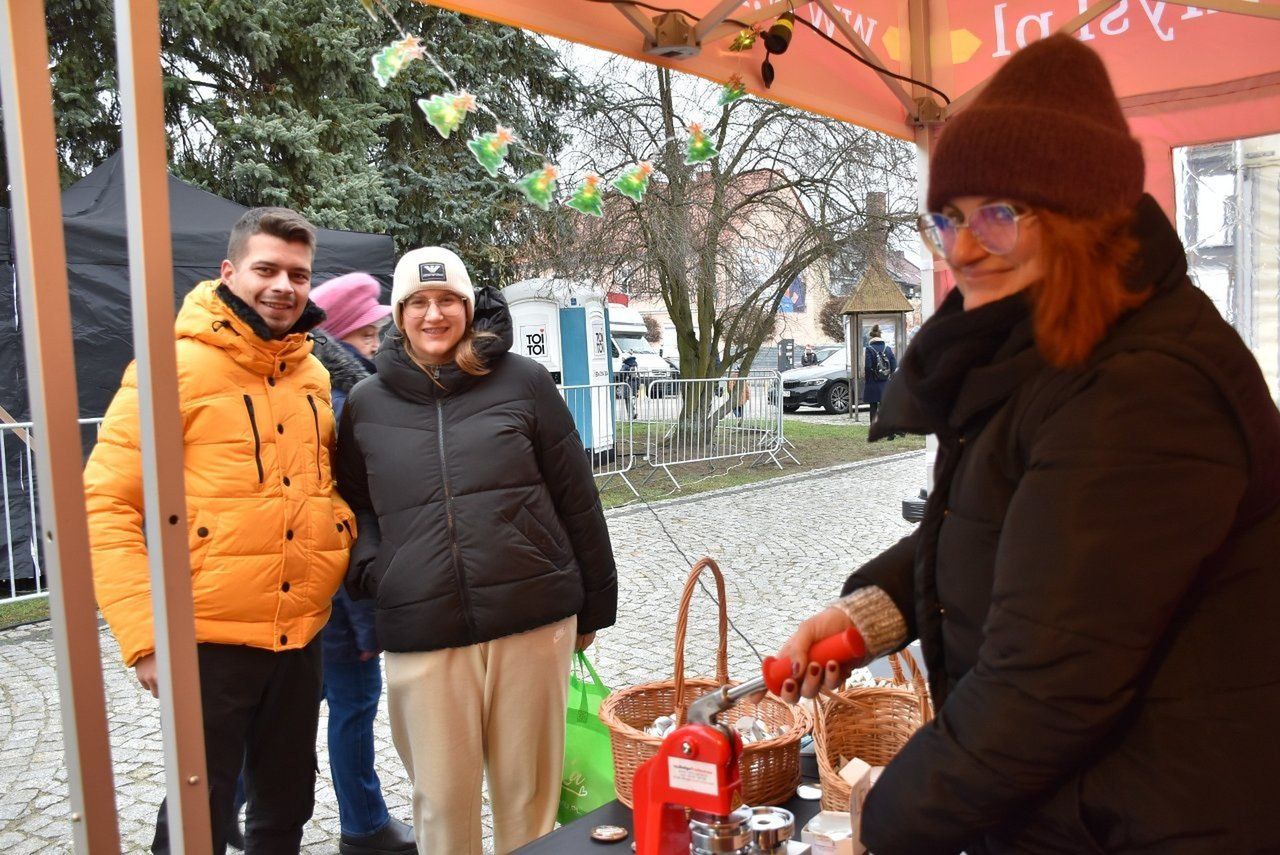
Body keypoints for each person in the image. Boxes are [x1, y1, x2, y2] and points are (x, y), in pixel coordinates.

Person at [774, 35, 1280, 854]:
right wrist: (867, 612)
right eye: (948, 218)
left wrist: (880, 823)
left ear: (1084, 218)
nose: (963, 249)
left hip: (1155, 818)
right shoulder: (1043, 345)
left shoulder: (1149, 386)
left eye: (999, 214)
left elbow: (1045, 684)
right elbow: (1013, 527)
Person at [85, 207, 355, 855]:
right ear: (230, 271)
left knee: (287, 799)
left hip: (301, 635)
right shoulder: (170, 368)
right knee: (197, 807)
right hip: (209, 638)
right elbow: (105, 501)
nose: (284, 286)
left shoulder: (311, 372)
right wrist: (145, 637)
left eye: (298, 273)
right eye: (267, 269)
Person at [336, 247, 618, 855]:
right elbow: (353, 508)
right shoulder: (366, 404)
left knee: (528, 799)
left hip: (531, 617)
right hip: (422, 625)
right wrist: (374, 572)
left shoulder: (525, 381)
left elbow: (576, 497)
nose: (433, 315)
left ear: (468, 307)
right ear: (399, 312)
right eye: (418, 302)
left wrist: (594, 608)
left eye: (447, 301)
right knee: (440, 803)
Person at [308, 274, 417, 854]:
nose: (379, 339)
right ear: (345, 332)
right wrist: (363, 618)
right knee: (351, 704)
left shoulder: (323, 389)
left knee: (299, 708)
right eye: (371, 329)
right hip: (337, 597)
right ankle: (364, 824)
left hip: (316, 594)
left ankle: (214, 806)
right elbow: (345, 518)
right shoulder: (344, 402)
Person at [861, 325, 896, 423]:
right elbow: (894, 364)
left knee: (873, 406)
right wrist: (888, 375)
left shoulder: (869, 349)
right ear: (880, 337)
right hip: (884, 381)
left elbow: (868, 367)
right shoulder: (888, 348)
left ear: (871, 338)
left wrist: (867, 379)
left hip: (872, 380)